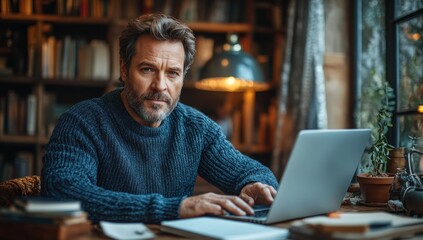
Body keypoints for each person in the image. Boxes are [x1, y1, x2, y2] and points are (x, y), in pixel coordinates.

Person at [41, 13, 278, 224]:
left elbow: (251, 171)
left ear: (183, 77)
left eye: (172, 73)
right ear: (124, 70)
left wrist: (254, 185)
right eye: (147, 69)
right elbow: (65, 193)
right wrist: (175, 208)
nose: (160, 86)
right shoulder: (82, 122)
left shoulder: (196, 128)